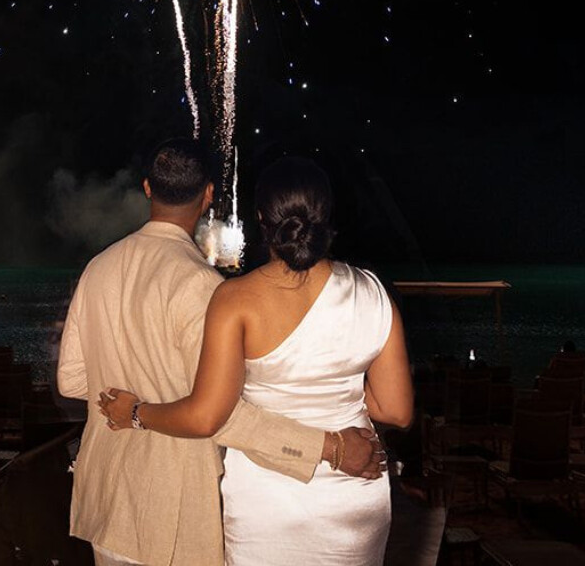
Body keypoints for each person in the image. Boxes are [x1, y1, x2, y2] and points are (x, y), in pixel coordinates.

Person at [58, 138, 384, 566]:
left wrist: (131, 404)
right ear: (210, 194)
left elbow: (72, 380)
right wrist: (330, 448)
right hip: (172, 512)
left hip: (106, 501)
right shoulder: (203, 286)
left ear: (148, 189)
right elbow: (221, 418)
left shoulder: (97, 267)